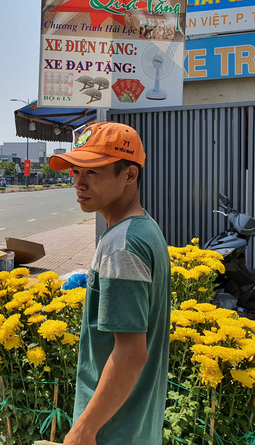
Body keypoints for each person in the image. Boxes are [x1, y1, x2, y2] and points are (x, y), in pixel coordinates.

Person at [48, 122, 171, 445]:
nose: (78, 183)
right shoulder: (146, 229)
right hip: (135, 425)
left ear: (130, 175)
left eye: (93, 172)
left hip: (113, 431)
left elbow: (131, 354)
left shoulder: (121, 246)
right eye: (75, 172)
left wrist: (83, 430)